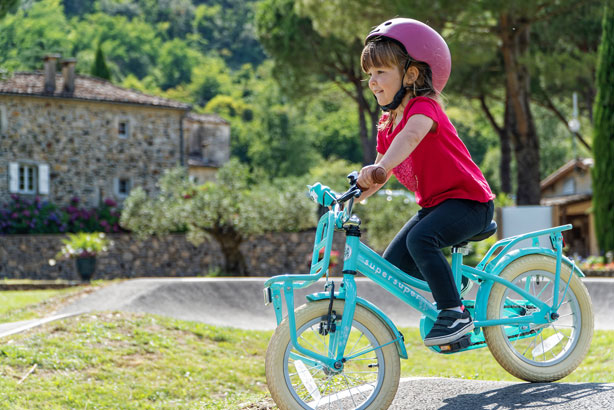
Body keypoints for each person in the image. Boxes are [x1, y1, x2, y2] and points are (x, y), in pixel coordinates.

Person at [356, 18, 495, 347]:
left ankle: (454, 311)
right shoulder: (386, 124)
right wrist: (348, 197)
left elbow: (410, 137)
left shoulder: (424, 107)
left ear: (412, 74)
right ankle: (452, 290)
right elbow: (379, 172)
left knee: (421, 239)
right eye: (369, 75)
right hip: (436, 205)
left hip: (470, 202)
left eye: (381, 72)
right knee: (393, 264)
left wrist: (380, 167)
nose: (373, 83)